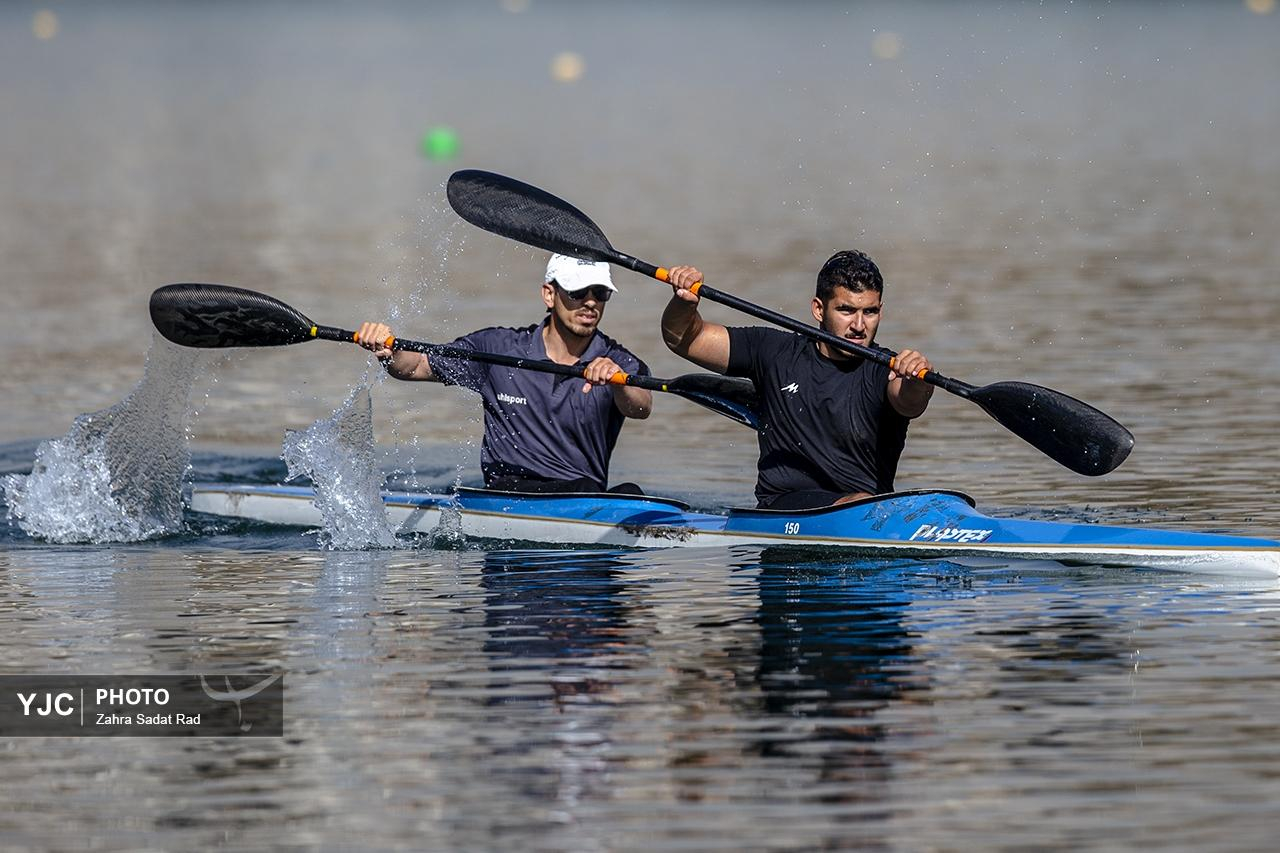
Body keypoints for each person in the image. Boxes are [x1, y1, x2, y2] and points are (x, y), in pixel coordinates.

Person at [660, 249, 933, 511]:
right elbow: (684, 339)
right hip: (783, 506)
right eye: (846, 310)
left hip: (868, 513)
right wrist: (684, 303)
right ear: (818, 309)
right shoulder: (773, 351)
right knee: (860, 501)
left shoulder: (887, 369)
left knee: (864, 502)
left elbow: (909, 402)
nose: (859, 326)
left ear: (881, 311)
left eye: (870, 312)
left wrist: (919, 381)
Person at [356, 254, 652, 494]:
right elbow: (417, 366)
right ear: (549, 294)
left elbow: (641, 407)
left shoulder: (618, 361)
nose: (590, 302)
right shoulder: (498, 349)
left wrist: (618, 383)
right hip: (506, 493)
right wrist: (389, 350)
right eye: (577, 292)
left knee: (631, 492)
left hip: (582, 497)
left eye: (600, 293)